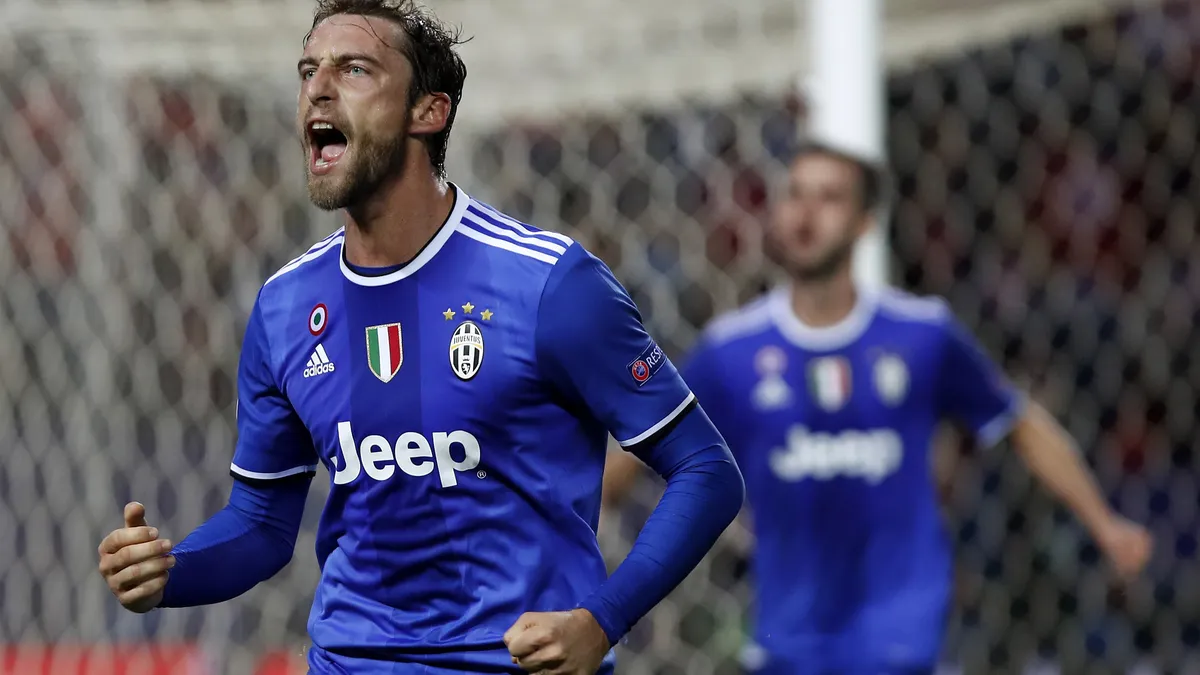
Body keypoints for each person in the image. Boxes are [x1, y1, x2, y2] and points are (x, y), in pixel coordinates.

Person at [95, 1, 744, 673]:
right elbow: (261, 523)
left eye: (354, 69)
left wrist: (600, 621)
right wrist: (169, 573)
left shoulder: (548, 285)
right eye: (309, 71)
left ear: (428, 111)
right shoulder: (285, 307)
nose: (318, 88)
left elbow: (706, 469)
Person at [604, 142, 1153, 674]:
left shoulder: (922, 335)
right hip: (788, 642)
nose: (806, 214)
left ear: (865, 222)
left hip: (897, 641)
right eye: (795, 195)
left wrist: (1105, 525)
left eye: (829, 198)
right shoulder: (731, 351)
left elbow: (1019, 421)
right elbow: (636, 455)